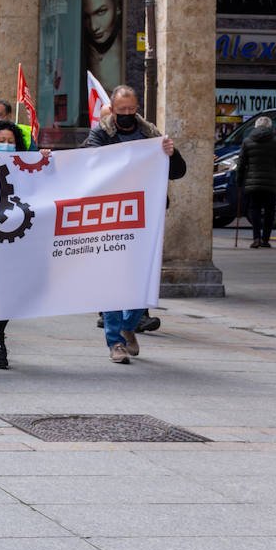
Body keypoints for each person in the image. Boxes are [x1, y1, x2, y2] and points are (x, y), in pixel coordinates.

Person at [83, 85, 186, 364]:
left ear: (137, 108)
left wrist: (170, 152)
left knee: (144, 276)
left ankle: (131, 324)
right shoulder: (100, 135)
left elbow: (177, 172)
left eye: (131, 110)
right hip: (112, 216)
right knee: (113, 279)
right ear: (112, 110)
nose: (127, 115)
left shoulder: (151, 134)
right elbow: (88, 165)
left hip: (146, 217)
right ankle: (115, 341)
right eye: (121, 111)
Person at [0, 119, 53, 368]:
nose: (6, 146)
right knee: (1, 290)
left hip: (21, 237)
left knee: (21, 289)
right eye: (1, 142)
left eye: (10, 142)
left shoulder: (28, 168)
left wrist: (44, 161)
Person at [236, 115, 276, 249]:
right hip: (271, 182)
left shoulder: (247, 141)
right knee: (270, 210)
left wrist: (240, 180)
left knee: (255, 209)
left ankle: (256, 238)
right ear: (269, 126)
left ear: (256, 126)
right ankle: (265, 239)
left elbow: (241, 164)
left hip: (253, 182)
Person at [82, 0, 124, 89]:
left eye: (101, 12)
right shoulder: (82, 54)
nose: (94, 27)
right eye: (87, 16)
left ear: (117, 6)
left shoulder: (126, 51)